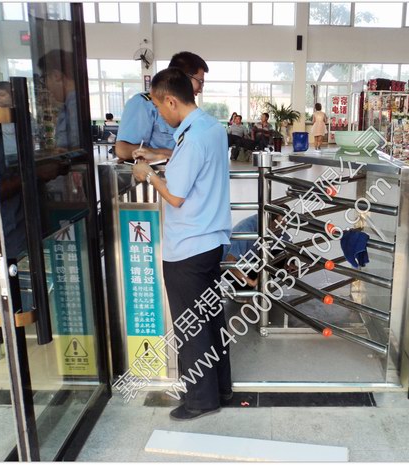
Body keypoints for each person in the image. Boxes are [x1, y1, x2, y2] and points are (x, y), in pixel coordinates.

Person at [131, 68, 232, 421]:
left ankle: (201, 400)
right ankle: (220, 388)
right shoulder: (212, 128)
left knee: (191, 325)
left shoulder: (192, 138)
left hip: (188, 245)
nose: (160, 115)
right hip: (211, 241)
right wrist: (162, 161)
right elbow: (195, 173)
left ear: (172, 101)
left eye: (160, 107)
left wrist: (148, 174)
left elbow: (175, 196)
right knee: (211, 319)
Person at [116, 51, 208, 161]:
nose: (201, 89)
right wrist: (166, 155)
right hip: (154, 170)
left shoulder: (192, 112)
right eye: (200, 81)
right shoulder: (143, 103)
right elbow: (122, 149)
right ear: (183, 77)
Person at [223, 208, 290, 288]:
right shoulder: (246, 230)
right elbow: (229, 262)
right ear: (270, 221)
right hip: (226, 266)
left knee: (281, 256)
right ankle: (238, 289)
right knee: (268, 261)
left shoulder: (276, 226)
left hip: (249, 261)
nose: (283, 228)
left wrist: (291, 263)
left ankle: (247, 288)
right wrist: (250, 282)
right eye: (281, 225)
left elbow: (290, 247)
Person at [37, 49, 79, 149]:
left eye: (44, 78)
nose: (46, 85)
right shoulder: (69, 104)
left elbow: (75, 147)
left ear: (56, 76)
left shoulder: (74, 104)